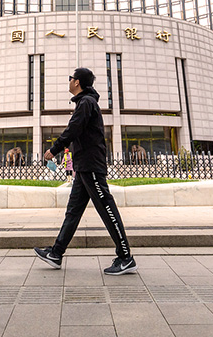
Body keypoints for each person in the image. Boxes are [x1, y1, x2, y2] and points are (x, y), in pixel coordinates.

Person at [34, 67, 137, 275]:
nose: (69, 81)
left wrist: (54, 150)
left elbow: (73, 129)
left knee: (107, 209)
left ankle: (125, 257)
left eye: (70, 78)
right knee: (73, 211)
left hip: (90, 165)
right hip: (84, 167)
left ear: (77, 82)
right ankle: (56, 253)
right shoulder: (85, 103)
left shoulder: (86, 103)